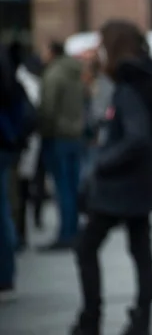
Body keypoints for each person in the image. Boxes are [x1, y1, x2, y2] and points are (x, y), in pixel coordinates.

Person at [71, 20, 152, 335]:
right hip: (139, 183)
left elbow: (137, 137)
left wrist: (102, 162)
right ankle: (140, 319)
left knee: (86, 247)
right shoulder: (143, 79)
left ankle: (91, 319)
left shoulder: (129, 84)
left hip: (120, 186)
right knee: (140, 251)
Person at [38, 40, 86, 251]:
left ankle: (66, 234)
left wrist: (44, 132)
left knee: (63, 188)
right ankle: (72, 230)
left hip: (58, 136)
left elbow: (48, 109)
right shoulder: (75, 73)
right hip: (76, 135)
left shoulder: (54, 75)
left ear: (51, 51)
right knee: (72, 186)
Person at [0, 44, 36, 301]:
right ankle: (7, 272)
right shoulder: (15, 82)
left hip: (6, 146)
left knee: (5, 209)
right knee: (7, 207)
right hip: (9, 147)